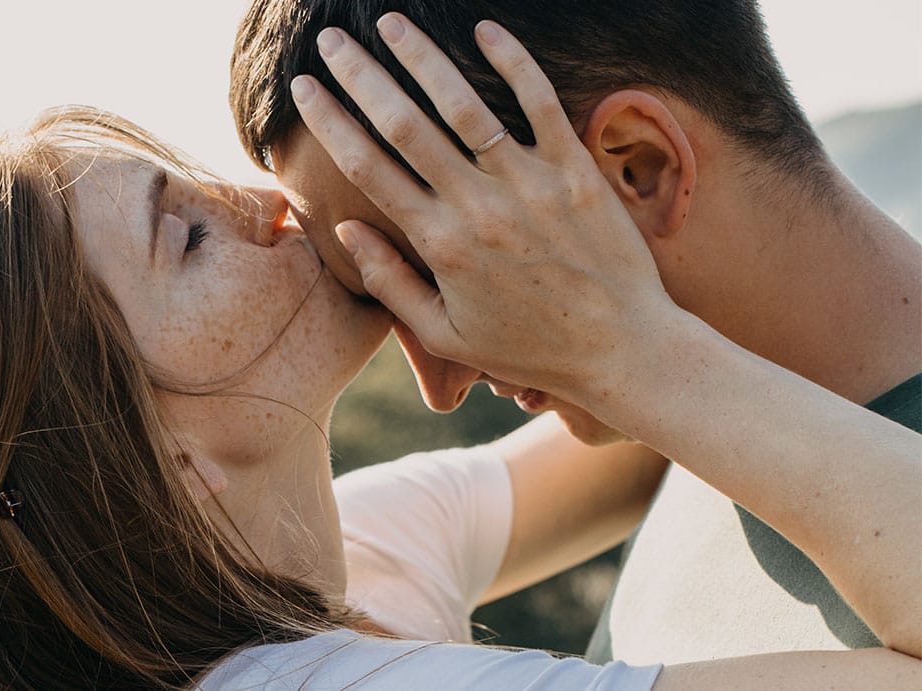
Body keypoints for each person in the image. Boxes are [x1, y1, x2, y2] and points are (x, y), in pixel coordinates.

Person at [0, 97, 918, 688]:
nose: (261, 204)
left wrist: (567, 316)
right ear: (139, 456)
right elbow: (669, 394)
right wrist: (631, 352)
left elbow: (640, 443)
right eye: (187, 235)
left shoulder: (311, 573)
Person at [229, 0, 922, 665]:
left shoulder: (661, 382)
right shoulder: (676, 424)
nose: (439, 386)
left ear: (640, 167)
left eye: (442, 269)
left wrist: (633, 361)